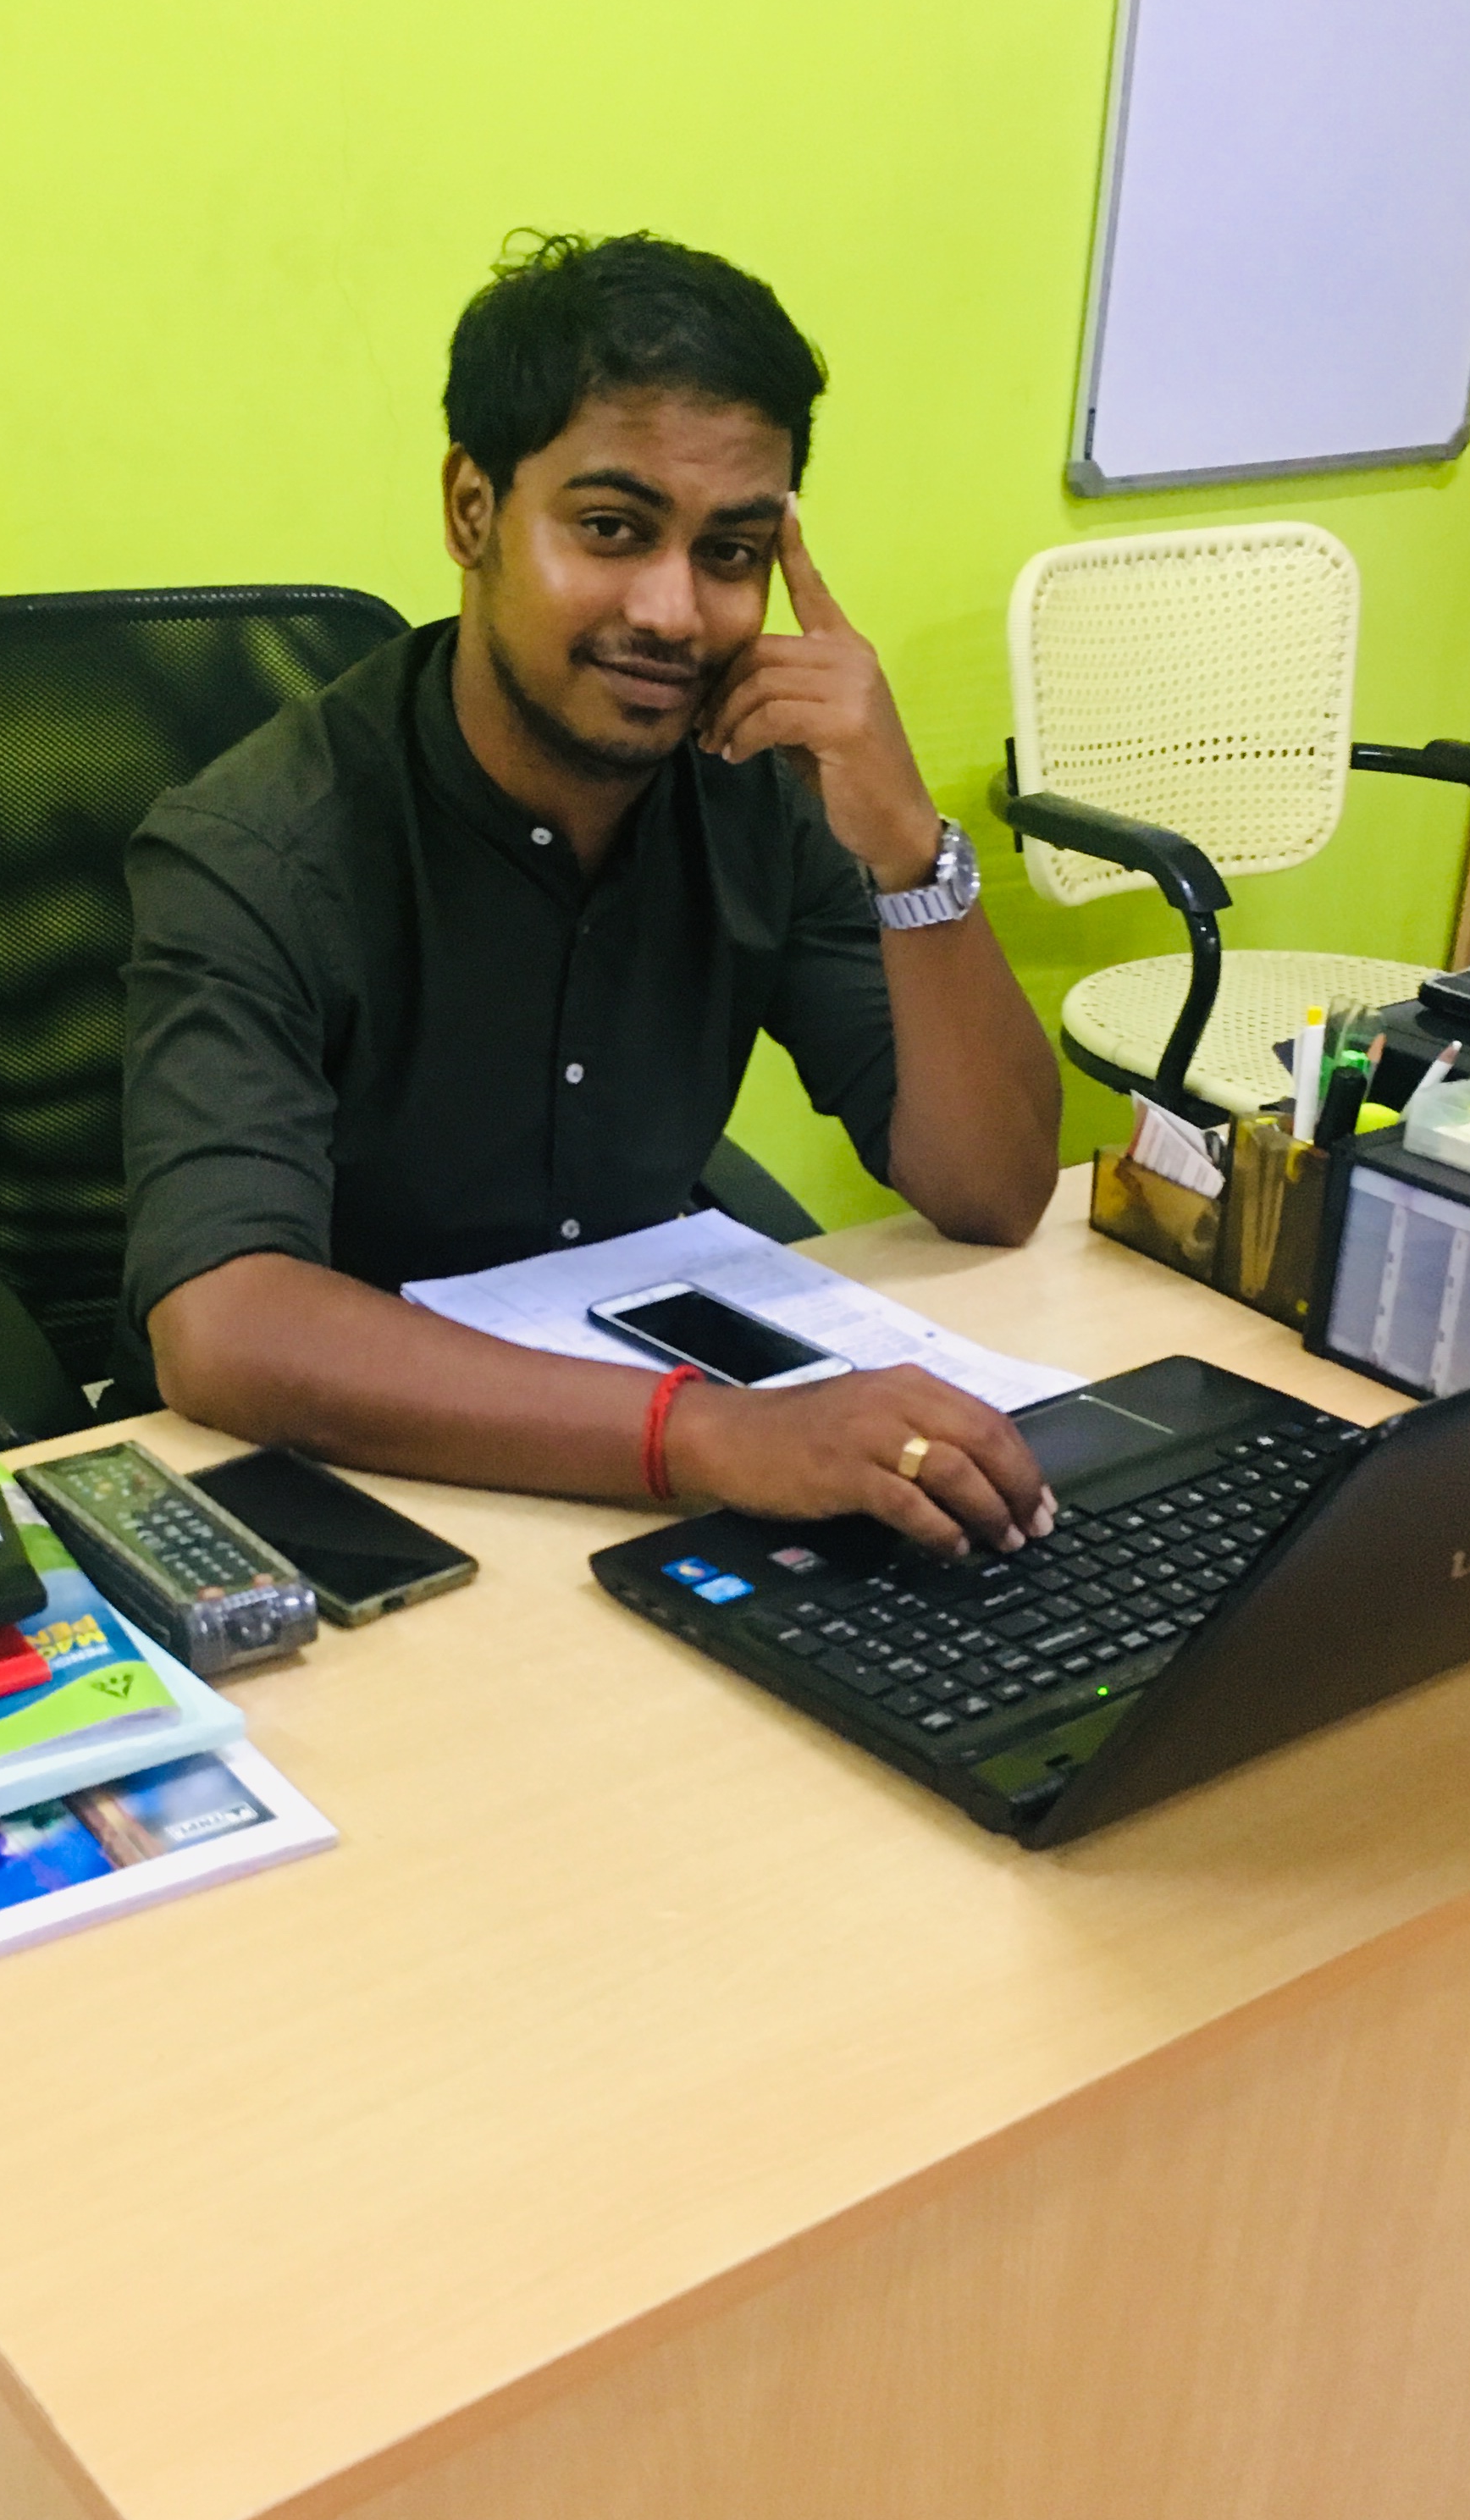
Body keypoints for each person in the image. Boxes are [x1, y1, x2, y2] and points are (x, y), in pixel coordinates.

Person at [123, 233, 1062, 1558]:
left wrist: (911, 850)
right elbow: (225, 1327)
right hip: (337, 1498)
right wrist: (714, 1434)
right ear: (472, 511)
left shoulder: (764, 788)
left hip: (641, 1485)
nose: (673, 611)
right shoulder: (258, 847)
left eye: (731, 551)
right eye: (613, 530)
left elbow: (995, 1189)